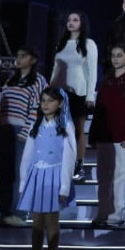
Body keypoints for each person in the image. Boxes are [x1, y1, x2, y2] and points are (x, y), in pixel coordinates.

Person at [16, 86, 76, 250]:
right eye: (43, 100)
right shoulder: (36, 123)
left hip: (54, 176)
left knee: (51, 222)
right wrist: (23, 182)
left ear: (59, 103)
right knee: (36, 223)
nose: (46, 104)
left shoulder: (65, 125)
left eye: (50, 101)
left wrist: (64, 186)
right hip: (36, 176)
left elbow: (69, 156)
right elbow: (27, 155)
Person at [0, 47, 45, 226]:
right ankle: (4, 211)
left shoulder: (38, 80)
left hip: (21, 131)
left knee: (20, 173)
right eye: (18, 55)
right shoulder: (10, 80)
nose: (19, 59)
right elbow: (1, 106)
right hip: (6, 130)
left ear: (33, 60)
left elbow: (38, 107)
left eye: (23, 56)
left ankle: (20, 213)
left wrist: (26, 131)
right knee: (4, 172)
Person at [90, 44, 125, 228]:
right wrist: (94, 135)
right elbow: (99, 110)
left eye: (120, 55)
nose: (116, 59)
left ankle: (118, 213)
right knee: (103, 177)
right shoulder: (106, 80)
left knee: (120, 175)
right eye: (113, 55)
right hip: (105, 135)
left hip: (122, 137)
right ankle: (102, 212)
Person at [49, 10, 97, 184]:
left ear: (82, 23)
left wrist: (90, 95)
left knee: (78, 130)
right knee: (60, 130)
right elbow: (55, 68)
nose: (71, 22)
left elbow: (92, 71)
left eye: (75, 20)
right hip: (60, 93)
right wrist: (50, 90)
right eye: (69, 20)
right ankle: (61, 163)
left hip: (79, 92)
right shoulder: (61, 44)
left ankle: (78, 166)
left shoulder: (88, 43)